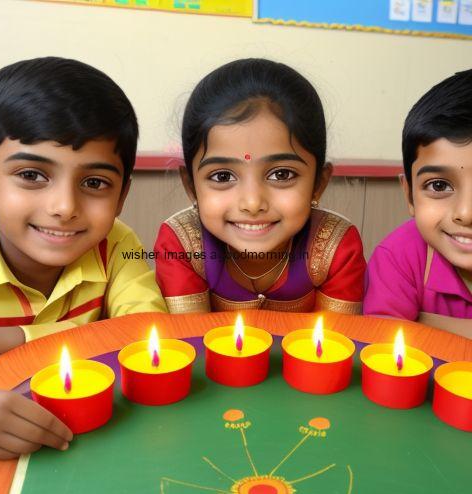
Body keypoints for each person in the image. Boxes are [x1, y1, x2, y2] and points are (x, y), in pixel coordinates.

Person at [0, 57, 166, 459]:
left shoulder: (117, 245)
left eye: (94, 182)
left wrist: (14, 339)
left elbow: (146, 332)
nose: (64, 207)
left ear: (122, 196)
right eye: (32, 175)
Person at [154, 58, 366, 314]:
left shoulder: (336, 247)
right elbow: (190, 346)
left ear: (318, 184)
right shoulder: (182, 244)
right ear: (191, 186)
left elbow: (335, 347)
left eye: (281, 174)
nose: (253, 203)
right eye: (222, 177)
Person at [364, 70, 472, 339]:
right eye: (439, 186)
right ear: (410, 195)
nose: (465, 213)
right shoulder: (399, 259)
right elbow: (382, 350)